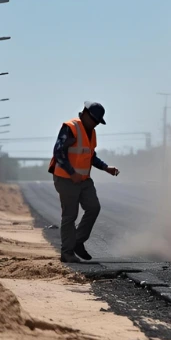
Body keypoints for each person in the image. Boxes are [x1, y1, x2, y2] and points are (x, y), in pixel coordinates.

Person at [48, 101, 119, 263]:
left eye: (98, 122)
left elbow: (90, 155)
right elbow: (58, 152)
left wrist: (106, 167)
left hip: (83, 180)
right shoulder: (71, 128)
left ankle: (78, 242)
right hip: (66, 179)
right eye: (94, 120)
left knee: (93, 207)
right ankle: (67, 253)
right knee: (70, 215)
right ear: (85, 114)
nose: (95, 124)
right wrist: (71, 173)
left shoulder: (91, 132)